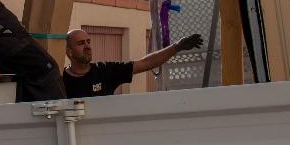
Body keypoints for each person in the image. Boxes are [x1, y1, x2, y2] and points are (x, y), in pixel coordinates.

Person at [63, 29, 203, 98]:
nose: (87, 46)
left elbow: (145, 63)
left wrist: (177, 47)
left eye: (88, 42)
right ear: (69, 52)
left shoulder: (105, 70)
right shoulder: (59, 80)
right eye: (81, 43)